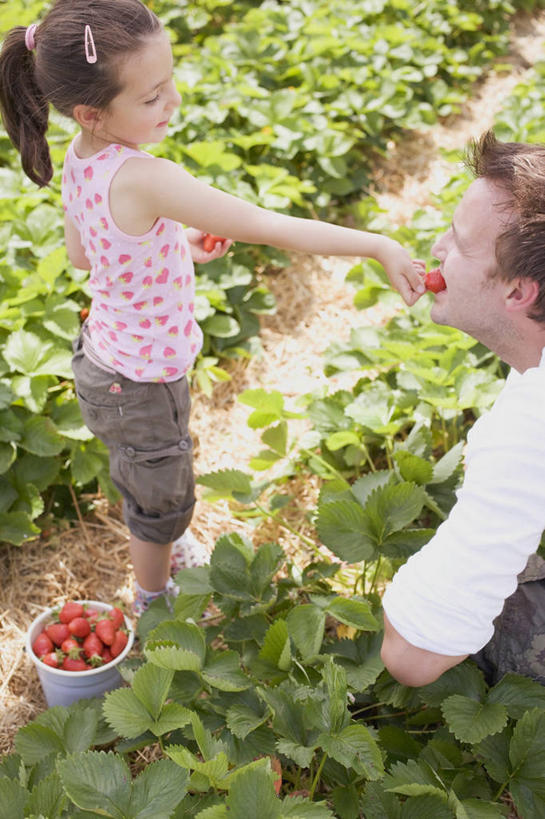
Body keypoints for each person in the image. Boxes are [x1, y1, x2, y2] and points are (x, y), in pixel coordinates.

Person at [0, 0, 425, 615]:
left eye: (170, 82)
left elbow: (85, 256)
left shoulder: (80, 153)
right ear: (94, 111)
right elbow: (268, 225)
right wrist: (377, 245)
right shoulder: (148, 178)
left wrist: (172, 243)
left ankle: (164, 545)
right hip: (142, 381)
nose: (172, 102)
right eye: (152, 97)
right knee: (160, 503)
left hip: (104, 363)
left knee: (141, 468)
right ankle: (154, 598)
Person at [381, 130, 545, 688]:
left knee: (509, 616)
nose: (436, 250)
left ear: (518, 293)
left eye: (459, 242)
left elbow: (411, 656)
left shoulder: (529, 428)